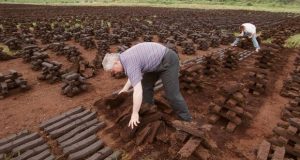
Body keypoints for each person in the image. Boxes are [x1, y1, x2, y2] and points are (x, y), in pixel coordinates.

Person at [107, 42, 192, 129]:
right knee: (145, 87)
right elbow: (133, 75)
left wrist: (135, 113)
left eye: (113, 70)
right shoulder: (124, 58)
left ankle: (186, 120)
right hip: (154, 63)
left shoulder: (129, 62)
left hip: (168, 60)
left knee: (172, 94)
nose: (114, 73)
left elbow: (137, 91)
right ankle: (150, 109)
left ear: (116, 62)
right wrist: (125, 89)